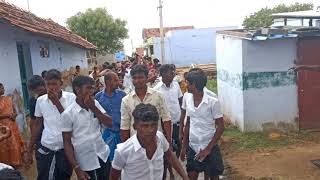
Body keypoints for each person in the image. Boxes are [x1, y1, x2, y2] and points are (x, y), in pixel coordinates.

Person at [110, 103, 189, 180]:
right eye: (145, 126)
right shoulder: (123, 151)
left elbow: (170, 156)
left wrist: (185, 177)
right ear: (135, 127)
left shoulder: (160, 138)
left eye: (153, 125)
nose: (150, 130)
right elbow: (114, 176)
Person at [26, 69, 76, 180]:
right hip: (47, 146)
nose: (51, 87)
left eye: (54, 84)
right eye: (48, 84)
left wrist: (56, 102)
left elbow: (71, 121)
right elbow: (37, 124)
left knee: (63, 176)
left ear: (61, 84)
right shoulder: (40, 101)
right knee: (44, 176)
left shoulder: (71, 98)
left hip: (66, 148)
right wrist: (29, 149)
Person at [62, 76, 113, 180]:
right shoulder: (68, 114)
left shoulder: (95, 104)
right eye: (88, 88)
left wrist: (93, 108)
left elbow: (109, 123)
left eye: (92, 88)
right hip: (85, 161)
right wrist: (77, 168)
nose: (92, 91)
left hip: (102, 154)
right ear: (77, 89)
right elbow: (66, 142)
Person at [180, 70, 225, 180]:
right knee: (191, 173)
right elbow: (189, 123)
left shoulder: (212, 102)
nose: (185, 85)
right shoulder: (187, 98)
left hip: (209, 145)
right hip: (193, 146)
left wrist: (208, 149)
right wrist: (184, 146)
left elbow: (221, 126)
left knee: (214, 175)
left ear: (194, 84)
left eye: (187, 83)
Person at [120, 64, 172, 144]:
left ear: (147, 78)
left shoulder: (158, 96)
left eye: (140, 77)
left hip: (156, 142)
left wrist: (169, 141)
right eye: (134, 78)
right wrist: (126, 148)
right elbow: (125, 127)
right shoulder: (126, 100)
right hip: (136, 145)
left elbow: (166, 119)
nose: (137, 81)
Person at [154, 64, 184, 180]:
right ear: (163, 74)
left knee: (179, 145)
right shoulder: (157, 89)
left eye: (173, 73)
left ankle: (173, 165)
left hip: (177, 121)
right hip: (165, 125)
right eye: (170, 73)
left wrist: (183, 117)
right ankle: (170, 172)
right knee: (167, 149)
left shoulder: (176, 85)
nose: (173, 75)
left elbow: (180, 100)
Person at [95, 72, 126, 178]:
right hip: (107, 135)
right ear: (108, 82)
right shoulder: (98, 97)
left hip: (122, 133)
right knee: (108, 161)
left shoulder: (122, 95)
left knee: (122, 161)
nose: (118, 82)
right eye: (116, 80)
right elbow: (97, 117)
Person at [0, 83, 27, 168]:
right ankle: (6, 166)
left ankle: (16, 164)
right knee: (4, 147)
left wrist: (14, 115)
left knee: (14, 144)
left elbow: (15, 111)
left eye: (3, 87)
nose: (3, 89)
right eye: (1, 88)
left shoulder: (8, 98)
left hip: (12, 125)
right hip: (2, 127)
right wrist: (7, 116)